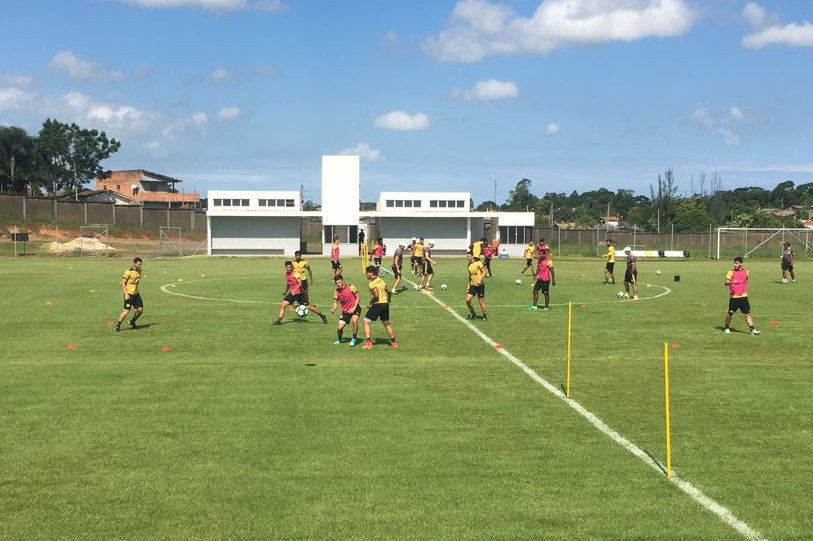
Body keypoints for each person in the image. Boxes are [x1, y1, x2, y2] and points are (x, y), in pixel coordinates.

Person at [274, 261, 328, 325]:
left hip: (300, 294)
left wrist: (295, 290)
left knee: (308, 306)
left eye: (289, 267)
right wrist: (285, 291)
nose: (288, 268)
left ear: (292, 267)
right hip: (292, 294)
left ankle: (322, 315)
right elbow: (289, 284)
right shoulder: (286, 275)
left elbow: (300, 283)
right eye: (286, 267)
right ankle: (279, 320)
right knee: (283, 304)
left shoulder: (295, 274)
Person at [362, 265, 398, 349]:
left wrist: (369, 303)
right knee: (386, 323)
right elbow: (388, 291)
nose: (366, 275)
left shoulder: (372, 283)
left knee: (366, 322)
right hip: (385, 304)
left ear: (371, 273)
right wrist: (389, 299)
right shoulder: (381, 280)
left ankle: (368, 343)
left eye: (367, 273)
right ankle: (393, 343)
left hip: (378, 305)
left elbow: (376, 296)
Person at [724, 257, 760, 335]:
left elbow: (745, 281)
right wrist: (732, 282)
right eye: (734, 263)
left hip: (743, 296)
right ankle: (726, 327)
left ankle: (752, 329)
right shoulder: (731, 272)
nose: (735, 265)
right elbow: (726, 282)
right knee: (730, 313)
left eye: (736, 263)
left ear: (741, 264)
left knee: (747, 313)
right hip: (734, 297)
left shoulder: (746, 272)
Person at [114, 256, 144, 332]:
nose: (140, 266)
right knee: (126, 311)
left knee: (140, 310)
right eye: (139, 264)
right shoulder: (128, 272)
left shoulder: (140, 271)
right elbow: (123, 283)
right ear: (134, 263)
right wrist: (126, 294)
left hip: (136, 294)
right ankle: (118, 325)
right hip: (129, 295)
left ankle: (132, 321)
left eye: (141, 264)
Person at [331, 274, 360, 345]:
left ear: (342, 281)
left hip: (355, 308)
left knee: (354, 321)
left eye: (339, 282)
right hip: (345, 311)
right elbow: (335, 302)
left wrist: (353, 308)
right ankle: (339, 339)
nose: (338, 284)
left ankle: (354, 339)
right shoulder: (336, 291)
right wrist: (334, 308)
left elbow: (358, 297)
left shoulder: (351, 287)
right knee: (339, 328)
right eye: (336, 283)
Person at [465, 251, 488, 321]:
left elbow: (484, 272)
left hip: (480, 285)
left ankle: (484, 316)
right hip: (473, 285)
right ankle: (473, 313)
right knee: (467, 300)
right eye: (467, 256)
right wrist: (468, 286)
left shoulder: (478, 263)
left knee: (481, 301)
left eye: (469, 256)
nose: (467, 257)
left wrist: (479, 280)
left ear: (472, 256)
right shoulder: (468, 265)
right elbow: (470, 276)